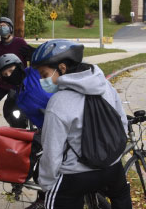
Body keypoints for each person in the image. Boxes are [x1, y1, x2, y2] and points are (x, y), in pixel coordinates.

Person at [31, 40, 132, 209]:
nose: (43, 81)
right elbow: (121, 122)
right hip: (112, 168)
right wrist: (114, 158)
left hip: (75, 175)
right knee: (121, 194)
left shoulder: (58, 102)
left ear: (62, 68)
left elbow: (52, 153)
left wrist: (47, 184)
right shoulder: (106, 86)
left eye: (44, 75)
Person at [0, 53, 53, 209]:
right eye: (5, 74)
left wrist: (35, 53)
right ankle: (43, 200)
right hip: (46, 130)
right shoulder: (18, 93)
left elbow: (44, 62)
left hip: (59, 123)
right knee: (41, 168)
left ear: (19, 66)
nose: (9, 75)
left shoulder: (34, 73)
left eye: (11, 70)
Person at [0, 17, 35, 147]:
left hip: (18, 84)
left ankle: (19, 134)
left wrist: (29, 79)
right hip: (3, 83)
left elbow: (29, 59)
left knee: (12, 111)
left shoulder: (20, 42)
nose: (1, 28)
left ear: (10, 28)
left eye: (4, 25)